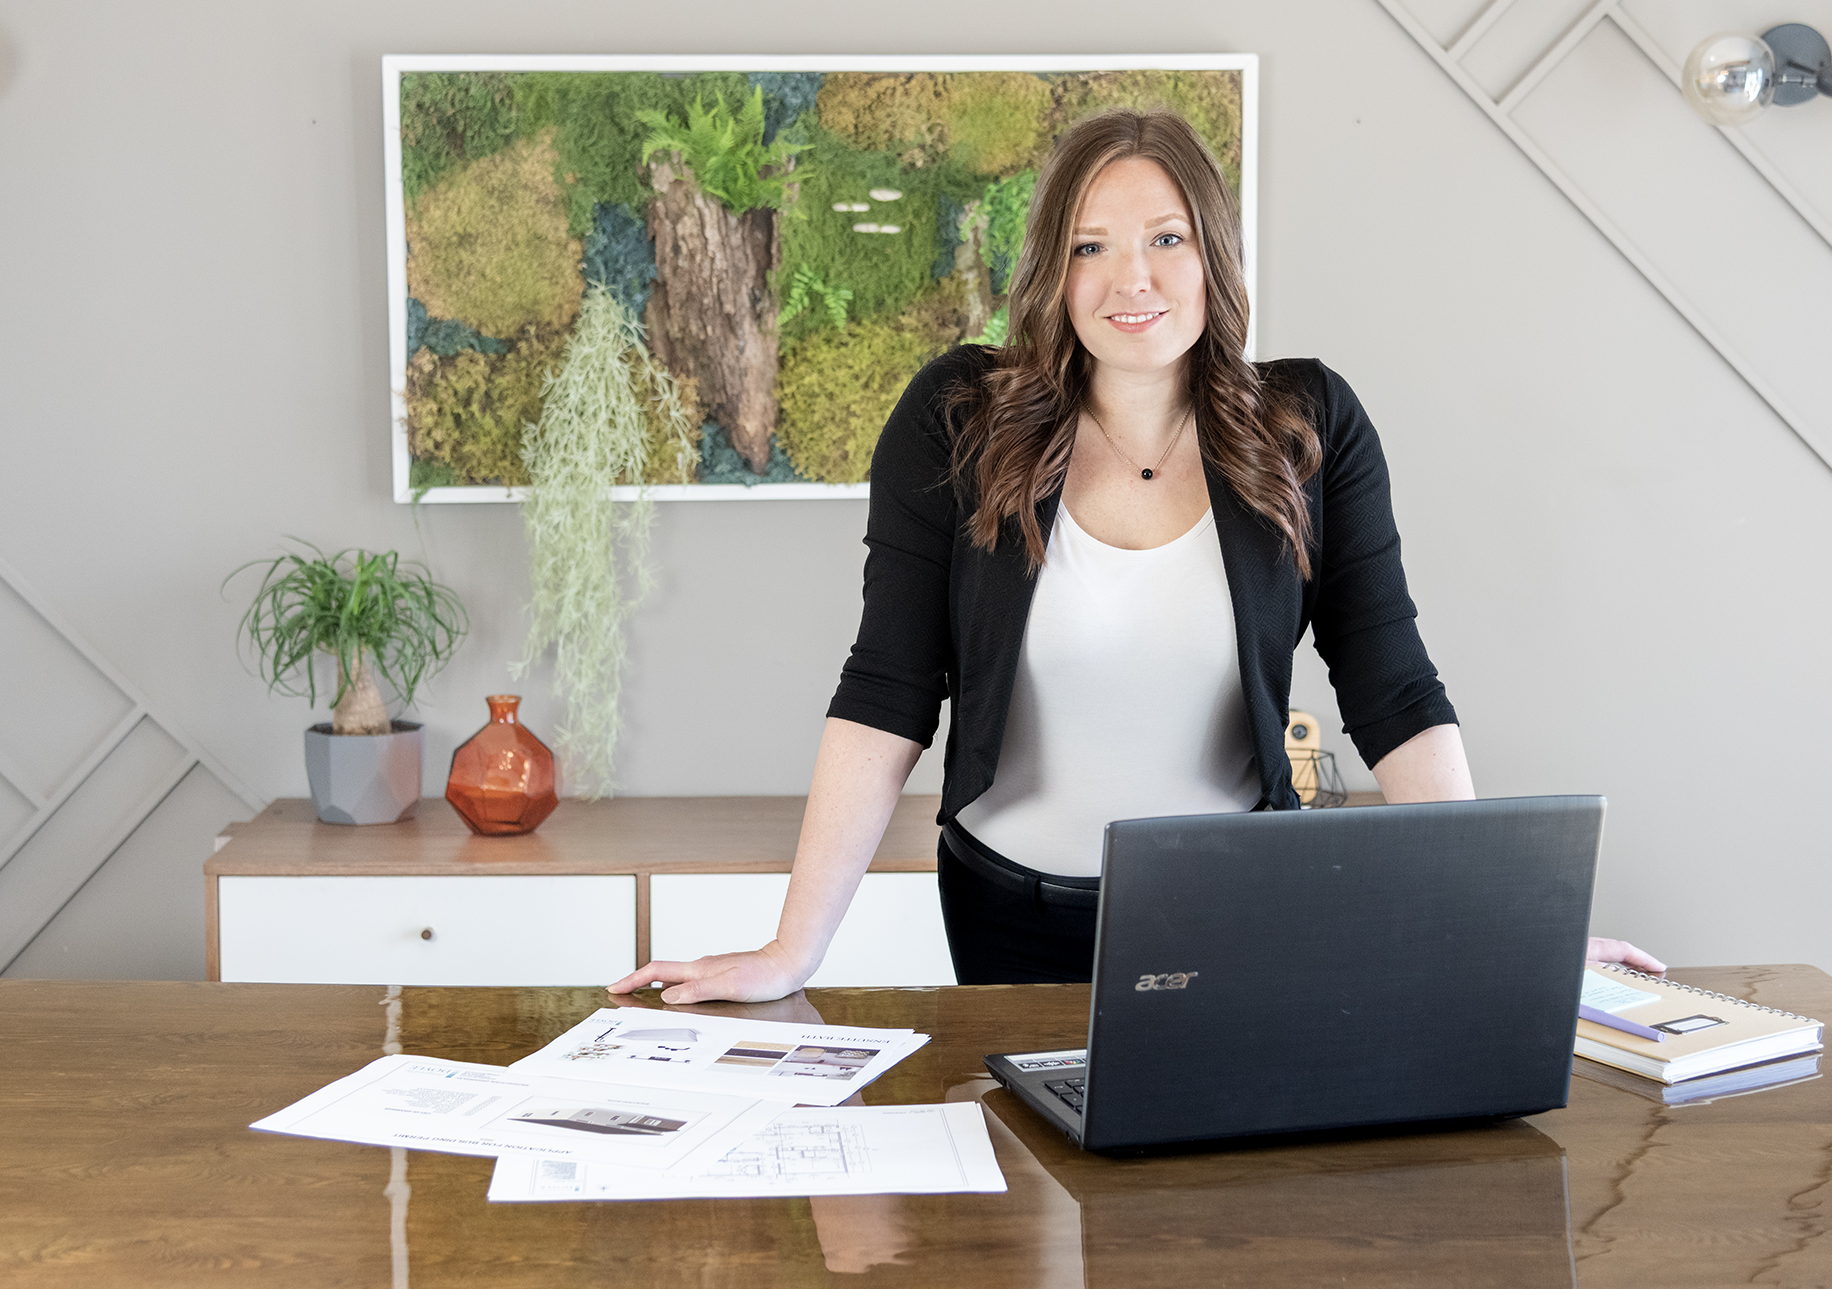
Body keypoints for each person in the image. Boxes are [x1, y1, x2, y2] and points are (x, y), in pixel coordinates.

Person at [610, 108, 1661, 1003]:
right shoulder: (955, 418)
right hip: (1005, 911)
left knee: (1207, 1235)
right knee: (1029, 1222)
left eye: (1165, 238)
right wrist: (793, 951)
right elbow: (885, 689)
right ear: (1051, 270)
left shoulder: (1309, 427)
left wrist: (1503, 927)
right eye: (1088, 245)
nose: (1131, 279)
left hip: (1235, 909)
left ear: (1212, 253)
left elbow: (1391, 689)